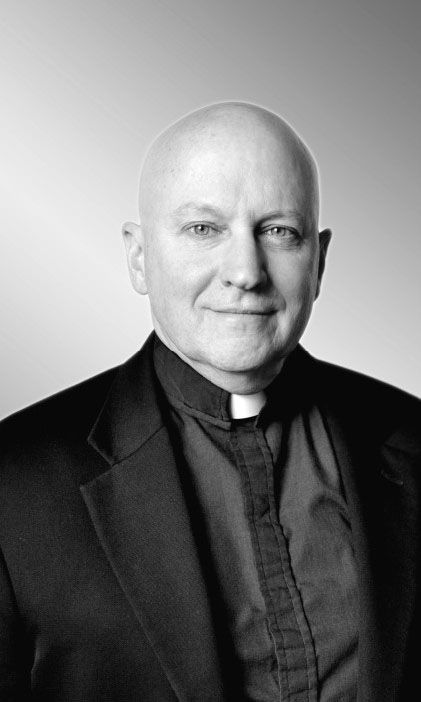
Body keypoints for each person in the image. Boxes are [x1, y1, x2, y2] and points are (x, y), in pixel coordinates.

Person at [0, 102, 419, 702]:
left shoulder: (412, 437)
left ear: (319, 262)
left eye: (279, 231)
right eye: (204, 229)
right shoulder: (13, 482)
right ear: (139, 257)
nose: (246, 271)